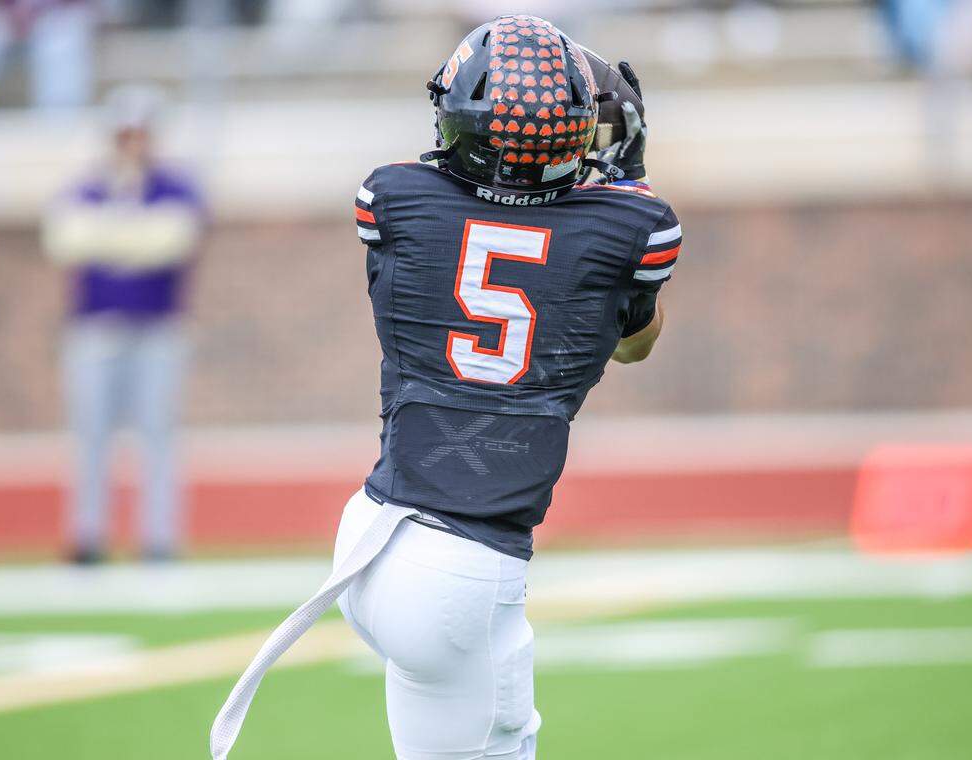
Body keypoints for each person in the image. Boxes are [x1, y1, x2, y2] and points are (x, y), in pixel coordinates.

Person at [211, 15, 680, 759]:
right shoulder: (634, 224)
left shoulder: (393, 197)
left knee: (484, 737)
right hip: (463, 562)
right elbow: (634, 346)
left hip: (374, 530)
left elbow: (440, 180)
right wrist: (626, 170)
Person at [42, 84, 204, 564]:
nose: (133, 143)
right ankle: (88, 537)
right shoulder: (87, 187)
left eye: (141, 133)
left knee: (158, 435)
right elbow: (65, 241)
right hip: (96, 328)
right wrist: (136, 235)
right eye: (125, 134)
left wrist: (106, 236)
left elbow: (173, 241)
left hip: (158, 327)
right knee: (90, 435)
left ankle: (159, 540)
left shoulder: (175, 186)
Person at [0, 0, 95, 110]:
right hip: (7, 16)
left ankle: (60, 116)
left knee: (61, 43)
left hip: (59, 15)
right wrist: (13, 13)